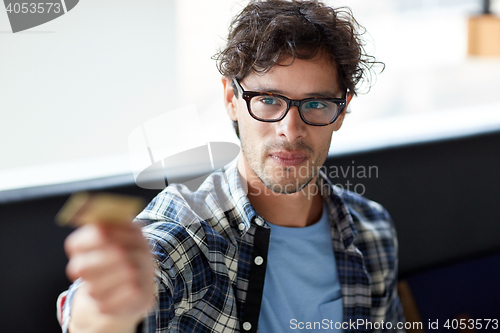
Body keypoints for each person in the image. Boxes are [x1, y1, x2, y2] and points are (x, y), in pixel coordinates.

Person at [60, 0, 405, 332]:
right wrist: (105, 312)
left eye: (315, 103)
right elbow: (112, 303)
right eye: (268, 100)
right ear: (230, 99)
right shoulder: (188, 230)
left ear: (340, 111)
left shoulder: (372, 231)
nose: (290, 129)